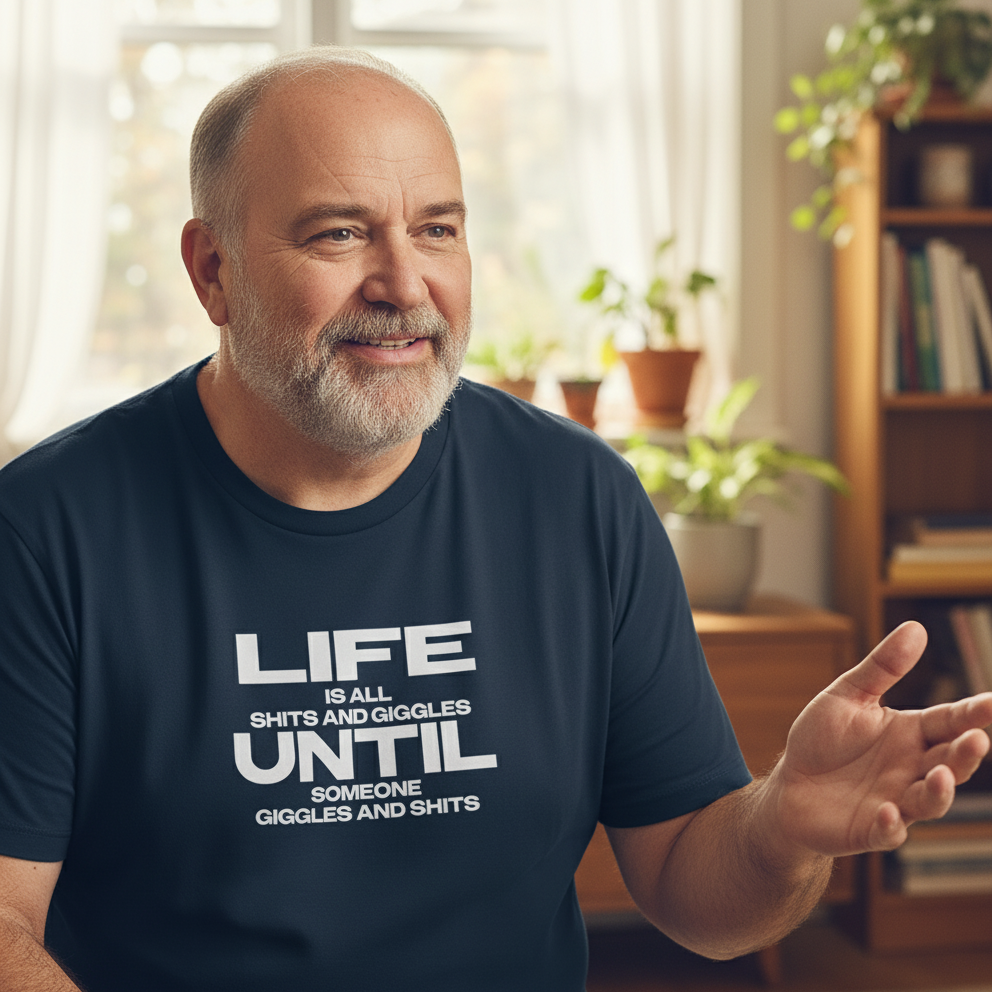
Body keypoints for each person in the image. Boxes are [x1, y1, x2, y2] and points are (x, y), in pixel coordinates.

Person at [0, 46, 989, 992]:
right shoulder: (47, 528)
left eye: (436, 228)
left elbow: (697, 893)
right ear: (211, 271)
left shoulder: (576, 497)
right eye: (338, 233)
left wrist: (778, 827)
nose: (402, 283)